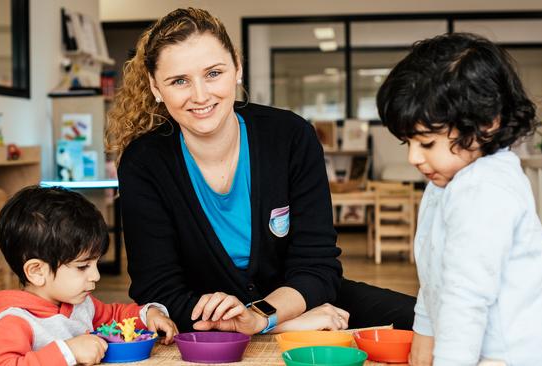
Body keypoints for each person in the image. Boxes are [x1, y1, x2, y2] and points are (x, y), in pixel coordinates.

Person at [105, 7, 415, 336]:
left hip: (300, 300)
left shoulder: (290, 136)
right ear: (155, 87)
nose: (200, 95)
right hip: (202, 319)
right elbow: (159, 293)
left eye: (213, 73)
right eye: (179, 80)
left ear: (237, 67)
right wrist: (277, 328)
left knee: (423, 319)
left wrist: (262, 317)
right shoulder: (144, 162)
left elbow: (316, 267)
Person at [376, 32, 542, 366]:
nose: (414, 157)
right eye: (407, 143)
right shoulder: (444, 181)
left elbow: (464, 300)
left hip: (530, 355)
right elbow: (434, 281)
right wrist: (423, 343)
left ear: (486, 125)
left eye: (427, 143)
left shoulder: (485, 189)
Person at [0, 186, 178, 366]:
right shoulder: (15, 320)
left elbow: (113, 316)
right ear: (37, 271)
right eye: (82, 266)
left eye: (96, 263)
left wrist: (148, 315)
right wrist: (68, 351)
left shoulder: (79, 304)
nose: (95, 275)